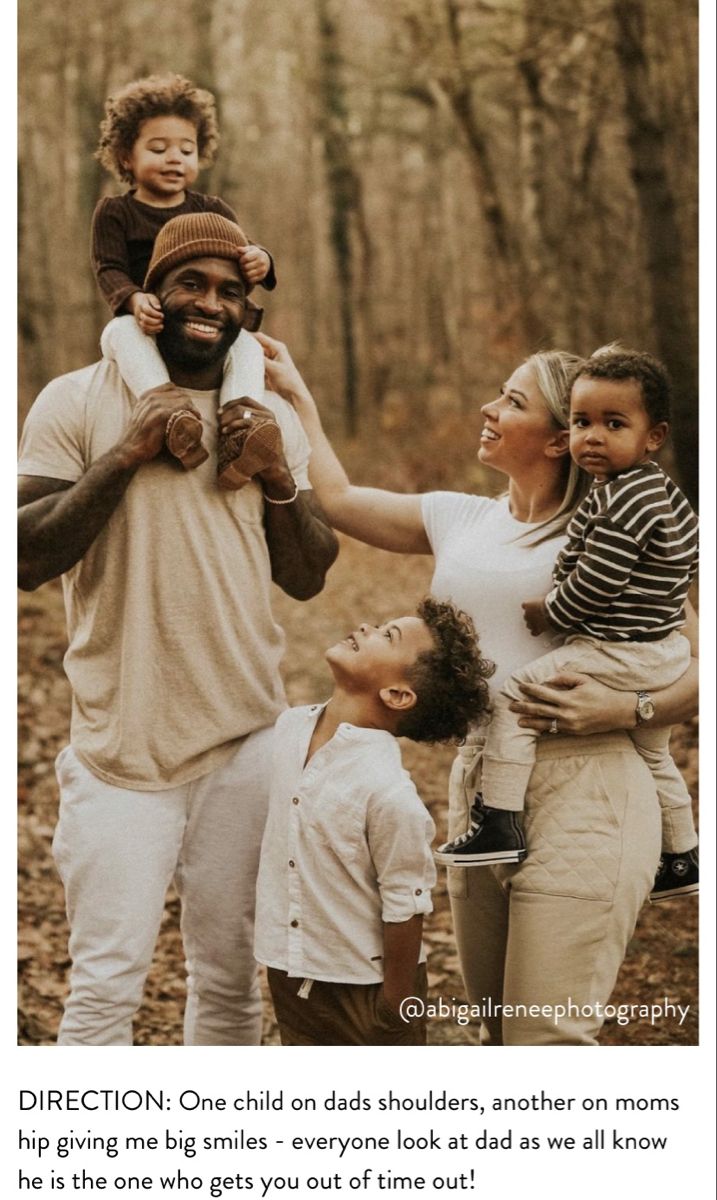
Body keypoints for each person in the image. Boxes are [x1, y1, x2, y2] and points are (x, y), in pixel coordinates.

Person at [253, 331, 699, 1046]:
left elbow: (693, 661)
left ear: (558, 439)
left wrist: (628, 707)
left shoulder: (610, 528)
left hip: (585, 790)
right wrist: (297, 396)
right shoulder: (463, 517)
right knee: (496, 1034)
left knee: (543, 1040)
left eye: (512, 401)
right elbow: (334, 497)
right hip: (482, 787)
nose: (488, 408)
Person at [17, 215, 339, 1046]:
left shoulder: (263, 415)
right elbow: (23, 554)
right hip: (122, 746)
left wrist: (273, 472)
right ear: (151, 296)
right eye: (191, 283)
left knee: (230, 987)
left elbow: (306, 574)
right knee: (103, 992)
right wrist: (124, 454)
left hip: (244, 739)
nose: (211, 303)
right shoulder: (76, 398)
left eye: (231, 290)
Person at [436, 349, 699, 904]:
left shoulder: (625, 500)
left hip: (620, 649)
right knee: (656, 756)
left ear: (654, 437)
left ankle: (500, 819)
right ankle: (681, 854)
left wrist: (552, 610)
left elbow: (597, 583)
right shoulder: (654, 493)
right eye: (582, 423)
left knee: (518, 695)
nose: (593, 437)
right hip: (657, 649)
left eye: (613, 424)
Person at [255, 598, 494, 1046]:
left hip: (368, 989)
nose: (366, 624)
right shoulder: (289, 729)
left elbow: (407, 903)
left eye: (387, 636)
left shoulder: (388, 791)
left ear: (398, 695)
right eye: (382, 624)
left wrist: (395, 1003)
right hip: (291, 970)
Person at [92, 72, 276, 484]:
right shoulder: (115, 212)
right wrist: (135, 301)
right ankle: (171, 416)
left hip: (202, 325)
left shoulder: (211, 208)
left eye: (186, 149)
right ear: (126, 156)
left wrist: (260, 258)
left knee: (246, 348)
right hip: (144, 321)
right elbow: (109, 267)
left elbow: (243, 247)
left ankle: (241, 432)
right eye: (158, 148)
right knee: (123, 337)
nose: (174, 157)